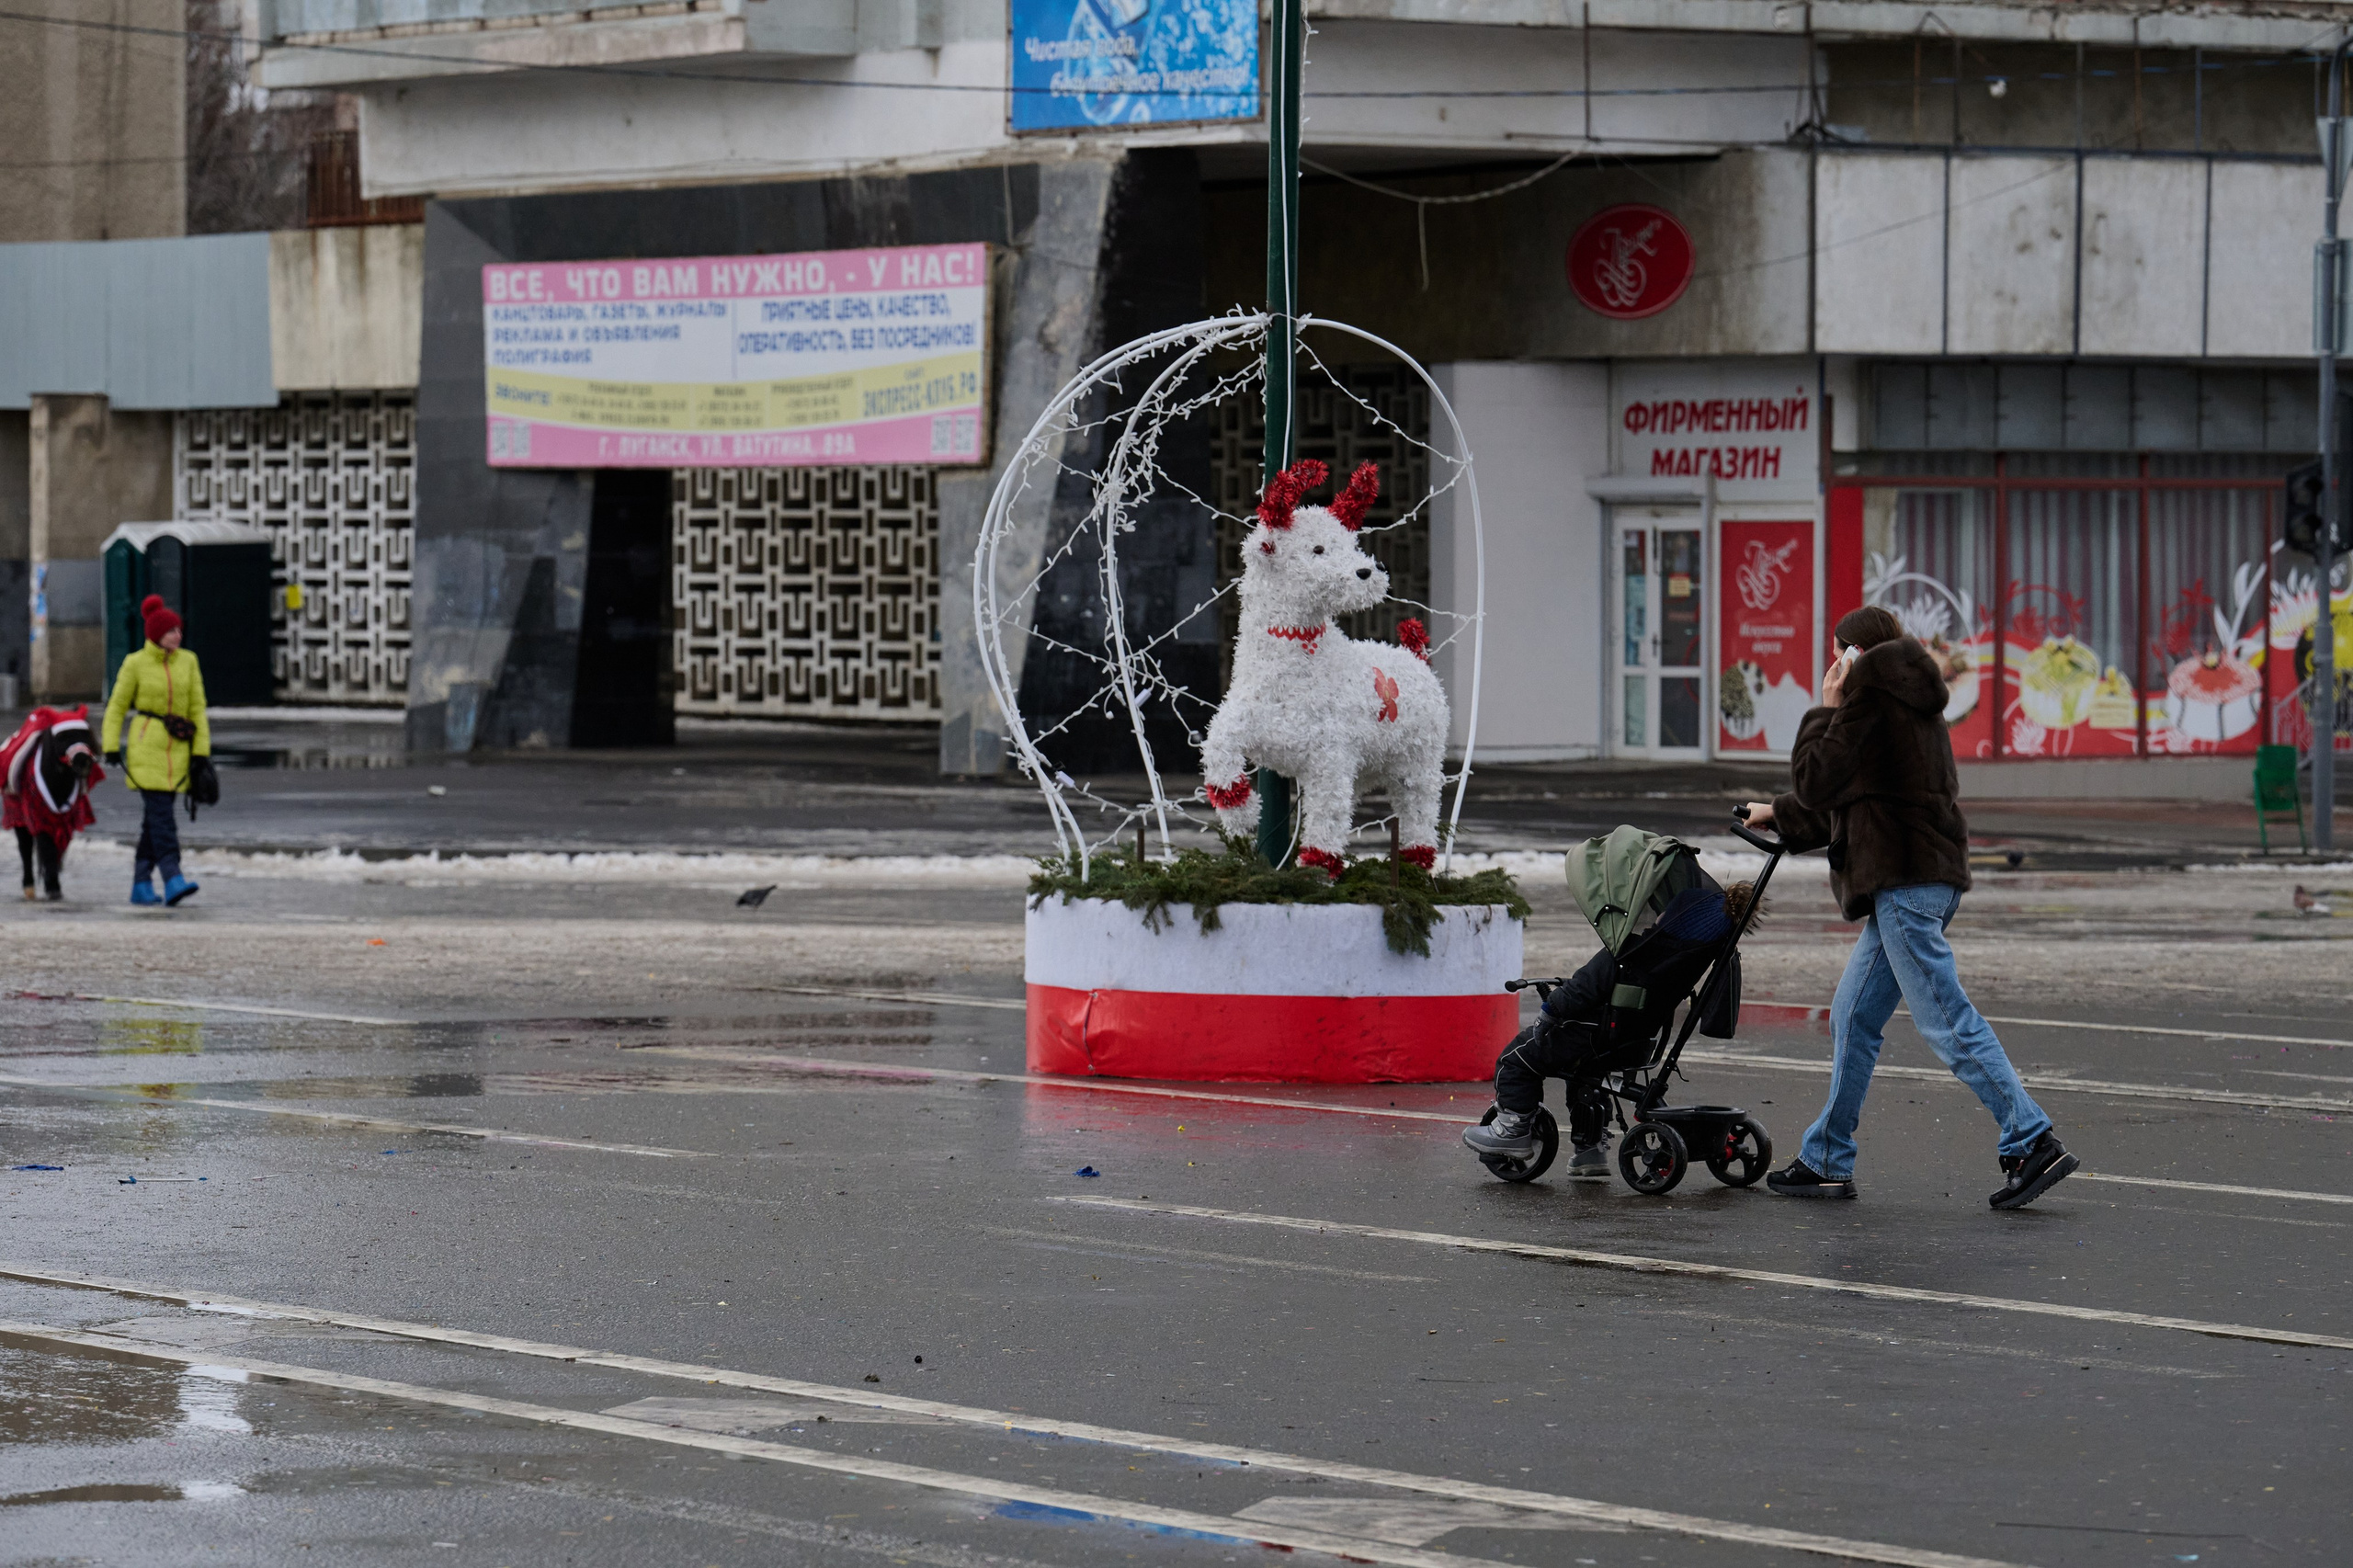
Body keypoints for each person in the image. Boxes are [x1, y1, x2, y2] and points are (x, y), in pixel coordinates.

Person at [1742, 604, 2076, 1210]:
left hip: (1905, 881)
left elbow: (1819, 778)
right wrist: (1776, 813)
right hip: (1920, 877)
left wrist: (1826, 703)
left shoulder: (1867, 703)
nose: (1831, 664)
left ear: (1854, 656)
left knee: (1946, 1018)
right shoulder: (1908, 699)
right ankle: (1825, 1158)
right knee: (1853, 1018)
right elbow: (1849, 795)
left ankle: (2030, 1137)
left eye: (1837, 652)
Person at [1463, 879, 1752, 1176]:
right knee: (1586, 1076)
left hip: (1593, 1031)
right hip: (1634, 1039)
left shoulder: (1632, 951)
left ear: (1678, 918)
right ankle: (1590, 1150)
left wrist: (1550, 1010)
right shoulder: (1684, 959)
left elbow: (1584, 988)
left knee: (1517, 1059)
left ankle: (1513, 1129)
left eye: (1666, 910)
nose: (1659, 913)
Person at [101, 595, 210, 907]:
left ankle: (140, 883)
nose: (178, 635)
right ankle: (173, 876)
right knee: (162, 816)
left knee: (154, 819)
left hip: (180, 750)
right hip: (146, 748)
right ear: (155, 634)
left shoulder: (189, 661)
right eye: (170, 631)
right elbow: (117, 706)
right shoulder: (135, 663)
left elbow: (198, 708)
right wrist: (110, 746)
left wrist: (201, 752)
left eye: (178, 629)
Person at [2, 706, 103, 901]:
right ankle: (32, 877)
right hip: (32, 791)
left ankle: (51, 872)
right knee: (29, 834)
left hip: (64, 778)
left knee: (57, 832)